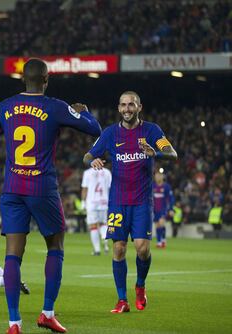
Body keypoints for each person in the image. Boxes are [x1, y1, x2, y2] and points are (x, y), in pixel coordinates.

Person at [0, 58, 101, 334]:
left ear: (23, 79)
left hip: (12, 188)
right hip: (42, 188)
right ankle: (47, 313)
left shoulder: (6, 105)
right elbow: (94, 129)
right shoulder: (56, 107)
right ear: (46, 79)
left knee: (13, 253)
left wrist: (5, 124)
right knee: (56, 246)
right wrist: (82, 112)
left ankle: (14, 323)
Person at [83, 91, 177, 313]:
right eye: (123, 105)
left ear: (139, 107)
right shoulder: (109, 134)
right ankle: (122, 300)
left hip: (142, 202)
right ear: (118, 108)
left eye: (131, 105)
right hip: (117, 201)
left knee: (142, 249)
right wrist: (93, 159)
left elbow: (172, 153)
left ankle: (140, 285)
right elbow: (87, 156)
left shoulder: (152, 130)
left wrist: (155, 153)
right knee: (118, 249)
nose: (127, 109)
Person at [81, 166, 112, 255]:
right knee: (103, 224)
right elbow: (110, 188)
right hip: (104, 202)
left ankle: (97, 250)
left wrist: (83, 202)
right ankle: (104, 238)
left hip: (92, 203)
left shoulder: (87, 172)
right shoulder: (107, 172)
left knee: (93, 226)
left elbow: (84, 188)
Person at [153, 172, 174, 248]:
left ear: (162, 177)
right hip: (154, 209)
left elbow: (171, 198)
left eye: (159, 176)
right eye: (156, 176)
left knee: (161, 223)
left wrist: (171, 209)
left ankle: (160, 242)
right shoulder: (152, 186)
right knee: (157, 225)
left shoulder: (166, 186)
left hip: (163, 208)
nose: (157, 177)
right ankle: (161, 240)